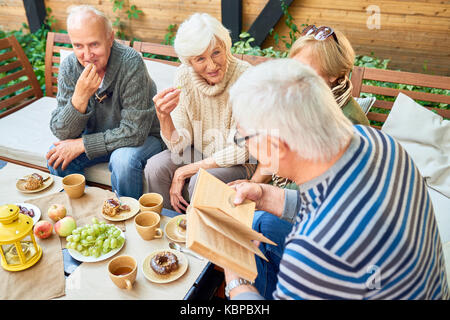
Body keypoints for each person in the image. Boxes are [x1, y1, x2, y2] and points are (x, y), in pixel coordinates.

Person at [223, 59, 448, 300]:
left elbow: (329, 228)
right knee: (261, 222)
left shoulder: (311, 253)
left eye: (244, 138)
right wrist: (264, 194)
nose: (246, 145)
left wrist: (236, 276)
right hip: (417, 286)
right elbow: (335, 204)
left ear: (277, 147)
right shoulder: (378, 141)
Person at [47, 5, 163, 199]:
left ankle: (125, 217)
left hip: (143, 138)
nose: (87, 55)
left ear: (110, 38)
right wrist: (80, 98)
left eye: (94, 44)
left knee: (122, 160)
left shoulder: (130, 63)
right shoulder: (69, 66)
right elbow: (61, 131)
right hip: (101, 139)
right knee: (56, 156)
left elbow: (135, 132)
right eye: (78, 46)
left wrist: (83, 144)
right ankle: (78, 214)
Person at [144, 13, 255, 213]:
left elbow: (243, 149)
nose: (212, 65)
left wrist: (186, 170)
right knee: (155, 167)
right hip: (200, 152)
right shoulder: (183, 76)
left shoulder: (246, 77)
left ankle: (198, 237)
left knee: (200, 180)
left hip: (239, 162)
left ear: (226, 46)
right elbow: (180, 145)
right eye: (200, 59)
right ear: (189, 61)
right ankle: (168, 229)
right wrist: (164, 118)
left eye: (216, 53)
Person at [245, 25, 370, 188]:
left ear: (333, 74)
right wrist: (253, 183)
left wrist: (262, 193)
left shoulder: (346, 124)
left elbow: (317, 186)